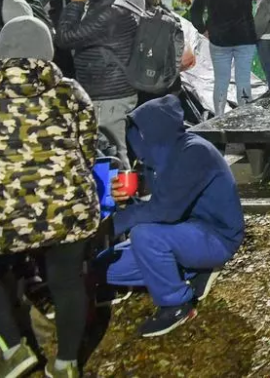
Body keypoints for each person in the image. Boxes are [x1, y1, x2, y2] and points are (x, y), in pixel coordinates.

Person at [0, 17, 98, 378]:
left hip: (4, 211)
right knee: (68, 280)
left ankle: (12, 347)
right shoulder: (71, 91)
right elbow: (88, 151)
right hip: (67, 206)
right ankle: (67, 363)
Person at [103, 95, 243, 338]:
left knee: (144, 235)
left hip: (216, 236)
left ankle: (177, 304)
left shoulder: (194, 151)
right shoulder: (158, 160)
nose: (137, 143)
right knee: (105, 268)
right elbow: (160, 205)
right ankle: (194, 270)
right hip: (182, 232)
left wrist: (109, 227)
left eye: (140, 134)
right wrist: (127, 201)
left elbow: (164, 211)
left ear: (155, 130)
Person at [55, 0, 139, 160]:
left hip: (109, 97)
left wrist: (75, 4)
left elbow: (64, 38)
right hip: (113, 93)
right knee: (114, 152)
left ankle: (122, 192)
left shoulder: (107, 13)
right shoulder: (114, 4)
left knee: (115, 157)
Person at [188, 0, 258, 117]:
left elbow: (194, 11)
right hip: (245, 38)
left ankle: (219, 118)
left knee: (221, 80)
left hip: (220, 40)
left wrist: (203, 29)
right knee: (243, 80)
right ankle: (245, 117)